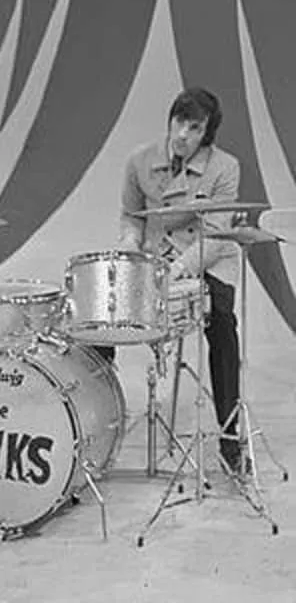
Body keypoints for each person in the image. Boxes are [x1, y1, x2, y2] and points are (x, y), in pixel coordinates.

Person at [117, 86, 245, 473]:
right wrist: (130, 244)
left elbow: (216, 233)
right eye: (179, 122)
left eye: (194, 128)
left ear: (207, 134)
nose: (183, 134)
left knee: (222, 322)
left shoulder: (226, 167)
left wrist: (177, 271)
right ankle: (101, 419)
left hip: (207, 260)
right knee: (103, 313)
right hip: (154, 257)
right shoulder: (139, 160)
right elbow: (130, 215)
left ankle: (229, 436)